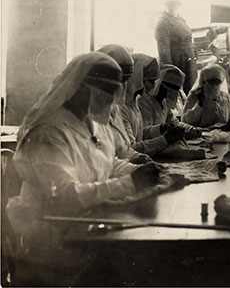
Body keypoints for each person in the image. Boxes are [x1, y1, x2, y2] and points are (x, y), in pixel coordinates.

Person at [6, 53, 166, 284]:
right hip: (51, 242)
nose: (111, 98)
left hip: (85, 227)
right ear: (79, 88)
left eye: (114, 90)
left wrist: (136, 171)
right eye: (105, 90)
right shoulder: (49, 133)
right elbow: (64, 197)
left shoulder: (93, 125)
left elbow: (107, 162)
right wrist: (129, 183)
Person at [121, 54, 186, 157]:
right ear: (137, 79)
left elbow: (139, 134)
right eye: (151, 81)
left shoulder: (133, 104)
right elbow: (130, 149)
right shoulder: (122, 108)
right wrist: (165, 139)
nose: (153, 86)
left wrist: (160, 128)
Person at [97, 44, 152, 164]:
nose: (124, 85)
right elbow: (101, 161)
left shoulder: (113, 108)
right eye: (120, 79)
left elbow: (122, 148)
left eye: (127, 79)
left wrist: (137, 157)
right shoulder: (86, 113)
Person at [138, 64, 201, 138]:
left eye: (176, 88)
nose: (174, 91)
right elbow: (146, 133)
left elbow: (174, 123)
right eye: (172, 87)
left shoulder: (164, 103)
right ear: (161, 84)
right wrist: (165, 130)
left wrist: (191, 129)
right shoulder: (144, 102)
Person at [154, 0, 197, 94]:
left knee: (191, 90)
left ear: (178, 5)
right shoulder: (162, 22)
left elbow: (189, 38)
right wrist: (170, 70)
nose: (172, 7)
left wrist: (194, 53)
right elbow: (163, 50)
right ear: (166, 6)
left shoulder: (181, 20)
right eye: (170, 4)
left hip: (189, 61)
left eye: (175, 4)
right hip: (177, 62)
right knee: (178, 92)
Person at [182, 64, 230, 130]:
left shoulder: (225, 98)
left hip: (221, 136)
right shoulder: (194, 97)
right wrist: (199, 106)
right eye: (211, 82)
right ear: (203, 82)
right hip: (199, 136)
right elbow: (185, 122)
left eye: (217, 83)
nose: (214, 86)